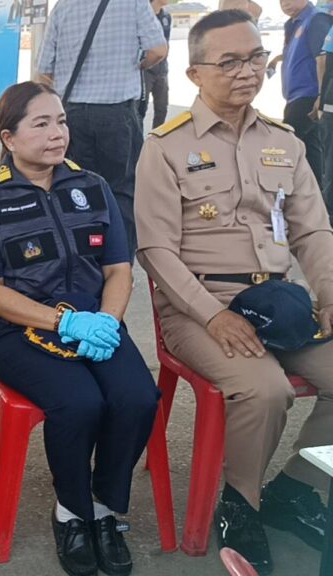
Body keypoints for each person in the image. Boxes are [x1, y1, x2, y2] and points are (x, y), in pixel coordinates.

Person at [135, 11, 333, 574]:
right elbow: (155, 250)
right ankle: (239, 506)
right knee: (265, 390)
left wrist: (328, 293)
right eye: (229, 62)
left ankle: (295, 488)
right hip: (199, 308)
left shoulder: (284, 142)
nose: (247, 72)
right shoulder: (166, 147)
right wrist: (213, 316)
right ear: (195, 73)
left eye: (254, 59)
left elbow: (313, 231)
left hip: (279, 305)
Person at [0, 81, 159, 576]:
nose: (57, 133)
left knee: (137, 397)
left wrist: (107, 321)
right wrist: (63, 321)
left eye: (62, 121)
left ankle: (104, 507)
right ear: (9, 137)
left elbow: (119, 269)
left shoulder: (92, 186)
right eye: (42, 124)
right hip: (15, 330)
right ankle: (71, 511)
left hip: (95, 320)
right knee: (80, 403)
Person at [38, 0, 167, 259]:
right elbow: (158, 49)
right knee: (122, 190)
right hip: (117, 113)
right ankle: (119, 262)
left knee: (76, 187)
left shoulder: (62, 8)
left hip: (72, 115)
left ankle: (83, 256)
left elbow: (44, 69)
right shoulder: (133, 3)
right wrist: (137, 65)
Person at [268, 0, 332, 185]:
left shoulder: (316, 19)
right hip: (295, 95)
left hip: (308, 95)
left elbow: (322, 58)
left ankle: (277, 190)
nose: (285, 4)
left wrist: (320, 96)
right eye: (281, 1)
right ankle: (316, 194)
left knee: (284, 143)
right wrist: (277, 59)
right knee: (311, 148)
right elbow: (301, 51)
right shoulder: (294, 23)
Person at [140, 0, 172, 130]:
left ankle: (157, 138)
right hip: (146, 69)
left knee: (162, 108)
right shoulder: (143, 15)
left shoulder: (166, 17)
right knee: (140, 109)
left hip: (162, 70)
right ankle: (138, 140)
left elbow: (166, 43)